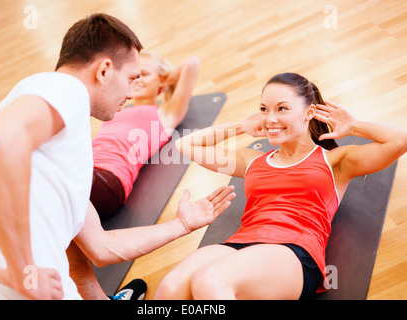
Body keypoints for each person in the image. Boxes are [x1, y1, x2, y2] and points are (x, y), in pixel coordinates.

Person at [0, 13, 235, 300]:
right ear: (103, 70)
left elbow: (102, 247)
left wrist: (182, 224)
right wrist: (24, 269)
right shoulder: (65, 89)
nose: (130, 91)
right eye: (130, 78)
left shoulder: (53, 142)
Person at [154, 72, 407, 300]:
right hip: (238, 246)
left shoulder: (335, 162)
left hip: (293, 252)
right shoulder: (252, 161)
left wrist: (353, 126)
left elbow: (399, 141)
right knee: (170, 289)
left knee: (209, 281)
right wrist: (240, 126)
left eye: (282, 109)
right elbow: (185, 146)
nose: (271, 118)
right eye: (264, 109)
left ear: (309, 113)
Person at [90, 51, 200, 219]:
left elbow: (191, 63)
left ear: (162, 82)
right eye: (134, 76)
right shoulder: (115, 109)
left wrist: (163, 80)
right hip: (85, 170)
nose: (138, 80)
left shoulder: (165, 115)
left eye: (145, 74)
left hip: (108, 181)